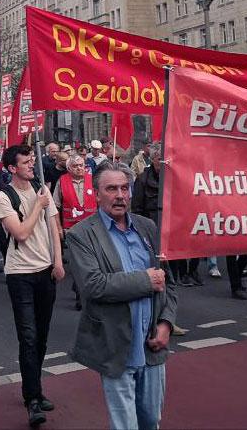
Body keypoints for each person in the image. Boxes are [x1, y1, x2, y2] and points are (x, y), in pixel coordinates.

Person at [66, 163, 177, 430]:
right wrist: (145, 280)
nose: (120, 195)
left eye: (124, 188)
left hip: (151, 345)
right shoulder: (82, 234)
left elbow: (169, 283)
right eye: (111, 188)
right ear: (97, 194)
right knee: (125, 424)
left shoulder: (147, 227)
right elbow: (93, 285)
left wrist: (166, 324)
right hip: (115, 345)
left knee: (151, 420)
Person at [0, 144, 65, 426]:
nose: (31, 165)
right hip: (20, 274)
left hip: (45, 272)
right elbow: (22, 233)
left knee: (43, 335)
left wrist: (58, 262)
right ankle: (32, 398)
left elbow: (54, 230)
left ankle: (35, 386)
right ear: (12, 168)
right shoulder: (4, 197)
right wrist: (38, 205)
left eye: (32, 160)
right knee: (28, 336)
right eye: (25, 162)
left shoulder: (42, 190)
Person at [53, 153, 95, 310]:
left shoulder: (93, 181)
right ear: (69, 168)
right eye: (76, 166)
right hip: (72, 230)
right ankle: (80, 294)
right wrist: (58, 227)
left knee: (92, 261)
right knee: (78, 262)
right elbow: (55, 206)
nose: (80, 168)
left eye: (82, 165)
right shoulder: (62, 182)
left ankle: (83, 287)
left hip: (92, 228)